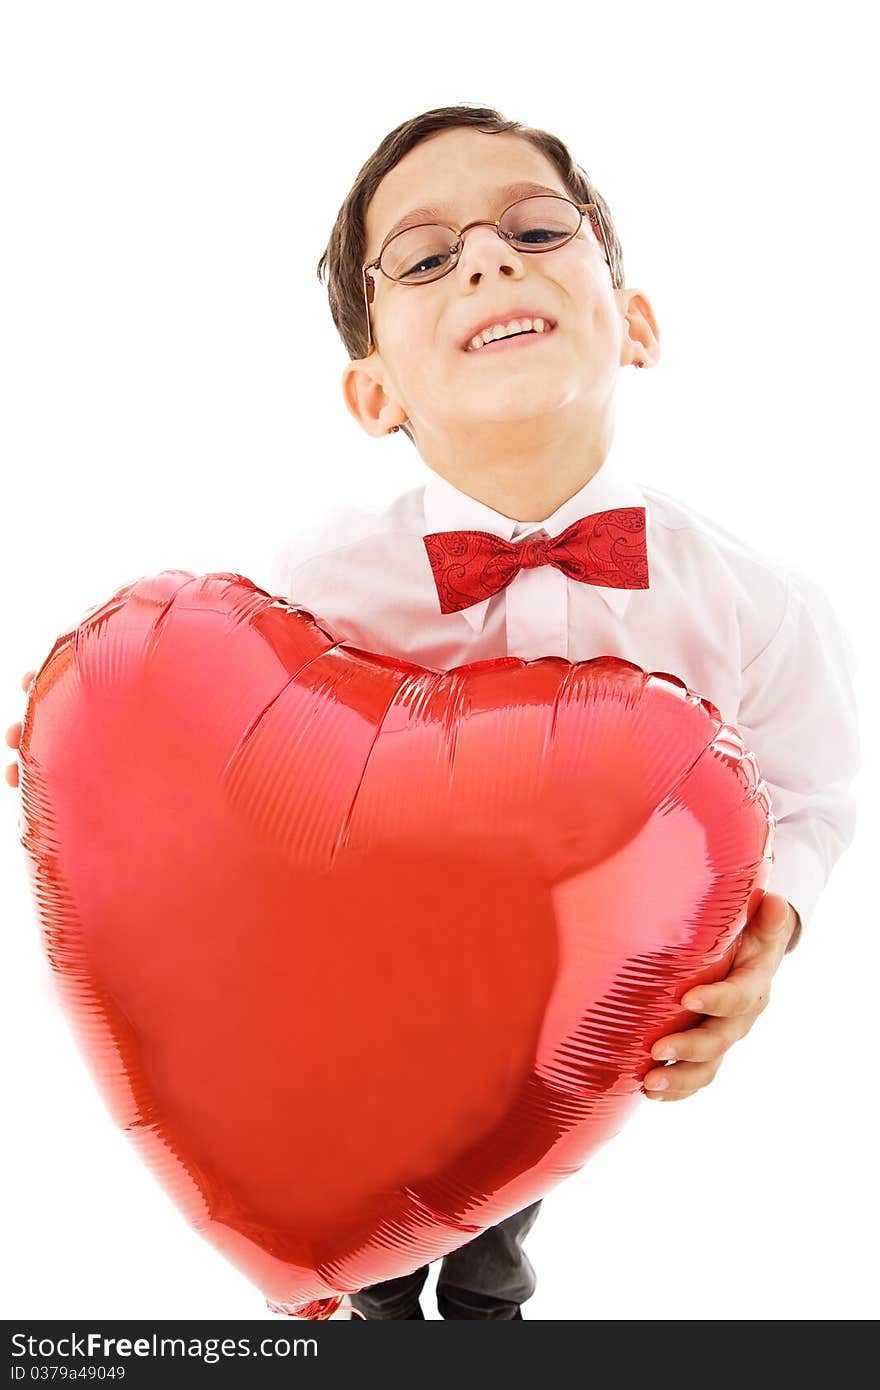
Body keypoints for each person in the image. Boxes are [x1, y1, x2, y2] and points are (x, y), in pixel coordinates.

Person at [6, 103, 861, 1321]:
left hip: (570, 1001)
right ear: (372, 393)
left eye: (535, 228)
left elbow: (814, 785)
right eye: (423, 256)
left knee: (498, 1173)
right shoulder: (309, 586)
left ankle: (477, 1279)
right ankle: (364, 1284)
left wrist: (770, 930)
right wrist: (82, 745)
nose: (487, 259)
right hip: (359, 994)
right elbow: (202, 757)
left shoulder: (756, 606)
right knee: (373, 1184)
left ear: (637, 323)